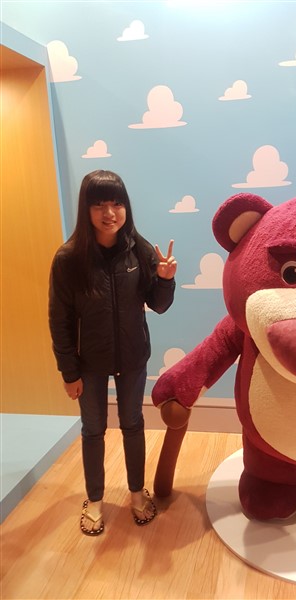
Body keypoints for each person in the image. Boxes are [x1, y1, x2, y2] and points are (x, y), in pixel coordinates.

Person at [49, 170, 177, 536]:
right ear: (86, 209)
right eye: (99, 204)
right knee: (93, 429)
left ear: (126, 207)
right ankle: (95, 500)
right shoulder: (69, 258)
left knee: (132, 424)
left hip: (133, 357)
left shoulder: (139, 249)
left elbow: (158, 304)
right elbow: (59, 319)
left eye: (117, 203)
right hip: (88, 363)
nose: (109, 213)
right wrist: (69, 372)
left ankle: (137, 493)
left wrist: (165, 280)